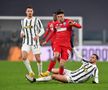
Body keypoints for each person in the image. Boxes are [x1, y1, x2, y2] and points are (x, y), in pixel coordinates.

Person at [41, 9, 81, 76]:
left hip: (66, 46)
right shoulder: (55, 24)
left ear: (63, 16)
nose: (60, 18)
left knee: (62, 64)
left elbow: (80, 26)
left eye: (61, 16)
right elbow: (52, 32)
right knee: (55, 56)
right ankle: (48, 71)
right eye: (59, 17)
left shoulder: (68, 22)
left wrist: (74, 24)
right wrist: (46, 41)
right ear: (57, 17)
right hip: (57, 44)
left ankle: (60, 76)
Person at [26, 47, 99, 84]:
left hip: (72, 79)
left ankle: (34, 80)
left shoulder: (95, 68)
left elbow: (96, 78)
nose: (91, 58)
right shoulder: (87, 62)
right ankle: (47, 74)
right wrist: (73, 48)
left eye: (93, 58)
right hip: (71, 73)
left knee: (53, 76)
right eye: (91, 57)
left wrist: (95, 81)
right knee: (53, 70)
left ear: (96, 60)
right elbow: (79, 57)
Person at [20, 6, 44, 78]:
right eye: (28, 11)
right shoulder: (23, 21)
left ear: (33, 12)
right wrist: (21, 33)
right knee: (24, 57)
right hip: (26, 42)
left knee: (38, 59)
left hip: (35, 42)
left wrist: (38, 35)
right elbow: (22, 30)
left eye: (31, 11)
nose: (30, 12)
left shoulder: (36, 20)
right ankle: (31, 72)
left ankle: (40, 73)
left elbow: (42, 30)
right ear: (26, 12)